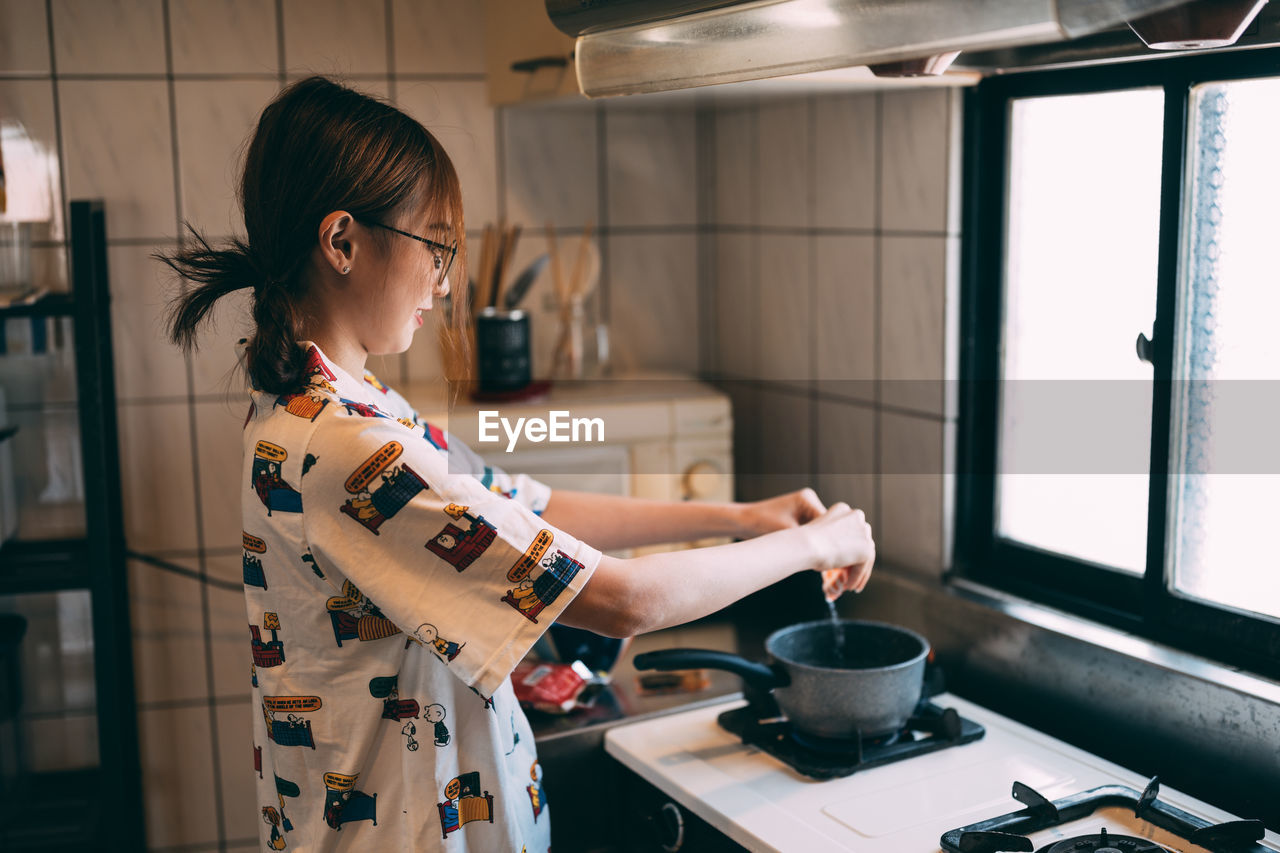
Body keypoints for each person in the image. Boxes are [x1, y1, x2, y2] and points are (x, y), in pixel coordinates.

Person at [159, 75, 875, 851]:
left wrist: (742, 516)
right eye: (434, 245)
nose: (443, 278)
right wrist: (814, 544)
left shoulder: (331, 405)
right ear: (342, 243)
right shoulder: (350, 448)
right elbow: (625, 600)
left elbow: (531, 505)